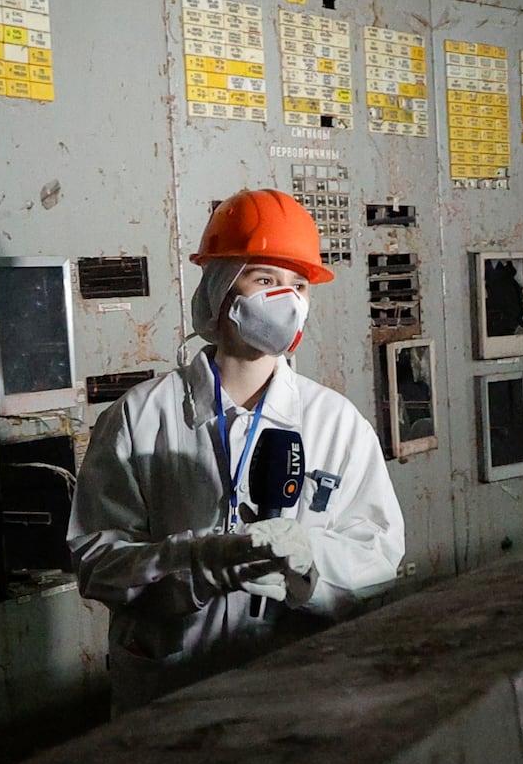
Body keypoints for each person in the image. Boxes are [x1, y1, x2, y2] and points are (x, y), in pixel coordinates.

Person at [72, 188, 405, 711]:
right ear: (222, 288)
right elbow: (96, 561)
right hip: (170, 692)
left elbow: (379, 555)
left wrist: (307, 561)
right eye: (266, 280)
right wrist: (197, 562)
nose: (287, 300)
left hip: (297, 689)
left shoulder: (337, 424)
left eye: (299, 284)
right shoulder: (140, 417)